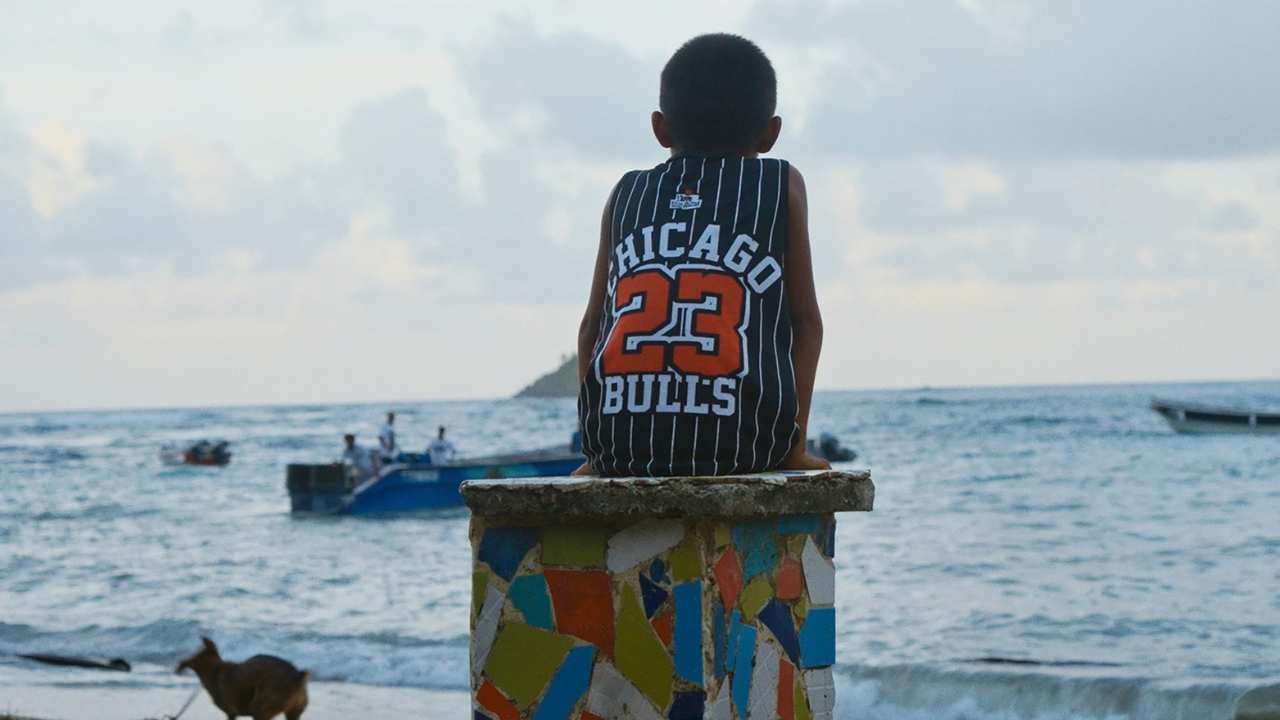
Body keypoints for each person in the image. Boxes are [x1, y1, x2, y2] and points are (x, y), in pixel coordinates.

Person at [575, 34, 830, 477]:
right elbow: (805, 323)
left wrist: (596, 455)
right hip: (746, 445)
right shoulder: (781, 184)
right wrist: (792, 447)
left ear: (660, 128)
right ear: (771, 133)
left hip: (619, 448)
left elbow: (593, 326)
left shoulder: (626, 192)